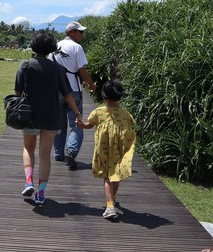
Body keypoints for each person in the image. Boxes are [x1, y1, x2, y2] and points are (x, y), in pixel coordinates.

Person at [14, 31, 83, 206]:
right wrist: (77, 113)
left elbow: (18, 92)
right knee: (45, 155)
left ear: (33, 46)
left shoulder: (25, 65)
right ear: (52, 48)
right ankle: (41, 193)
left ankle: (28, 181)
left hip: (30, 115)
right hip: (52, 116)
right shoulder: (57, 69)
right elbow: (67, 94)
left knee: (28, 148)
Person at [78, 79, 136, 220]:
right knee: (115, 175)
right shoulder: (125, 114)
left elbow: (88, 125)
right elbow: (131, 125)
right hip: (120, 150)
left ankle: (110, 206)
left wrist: (80, 124)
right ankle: (112, 201)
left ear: (104, 96)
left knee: (107, 177)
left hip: (103, 150)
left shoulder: (99, 112)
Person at [50, 21, 97, 170]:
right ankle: (71, 151)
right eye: (79, 32)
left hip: (56, 89)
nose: (82, 35)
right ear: (71, 32)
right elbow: (81, 70)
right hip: (73, 90)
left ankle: (58, 153)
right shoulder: (77, 47)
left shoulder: (54, 47)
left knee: (59, 123)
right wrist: (92, 85)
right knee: (77, 122)